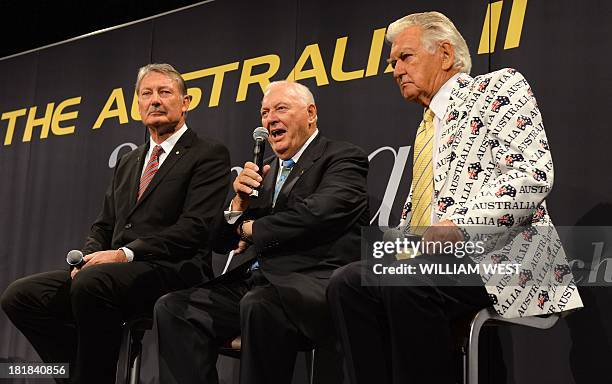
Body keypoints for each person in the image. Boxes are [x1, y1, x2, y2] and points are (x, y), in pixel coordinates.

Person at [326, 11, 583, 384]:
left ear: (445, 55)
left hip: (503, 257)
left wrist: (462, 227)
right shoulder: (426, 126)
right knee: (347, 282)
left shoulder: (499, 88)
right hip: (433, 263)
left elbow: (532, 175)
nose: (395, 69)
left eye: (405, 58)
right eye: (392, 62)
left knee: (405, 279)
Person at [0, 63, 230, 384]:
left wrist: (124, 254)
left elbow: (195, 228)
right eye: (146, 94)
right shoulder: (129, 160)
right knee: (21, 296)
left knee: (94, 284)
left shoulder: (207, 153)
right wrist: (87, 259)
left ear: (186, 101)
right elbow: (103, 224)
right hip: (113, 274)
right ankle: (79, 375)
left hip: (174, 271)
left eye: (165, 92)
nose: (155, 100)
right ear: (137, 105)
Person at [154, 80, 369, 384]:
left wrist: (251, 228)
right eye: (265, 112)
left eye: (281, 108)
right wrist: (238, 203)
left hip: (310, 281)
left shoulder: (343, 157)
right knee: (173, 308)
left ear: (311, 113)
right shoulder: (261, 170)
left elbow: (316, 214)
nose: (270, 119)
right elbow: (220, 240)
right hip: (256, 281)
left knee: (257, 305)